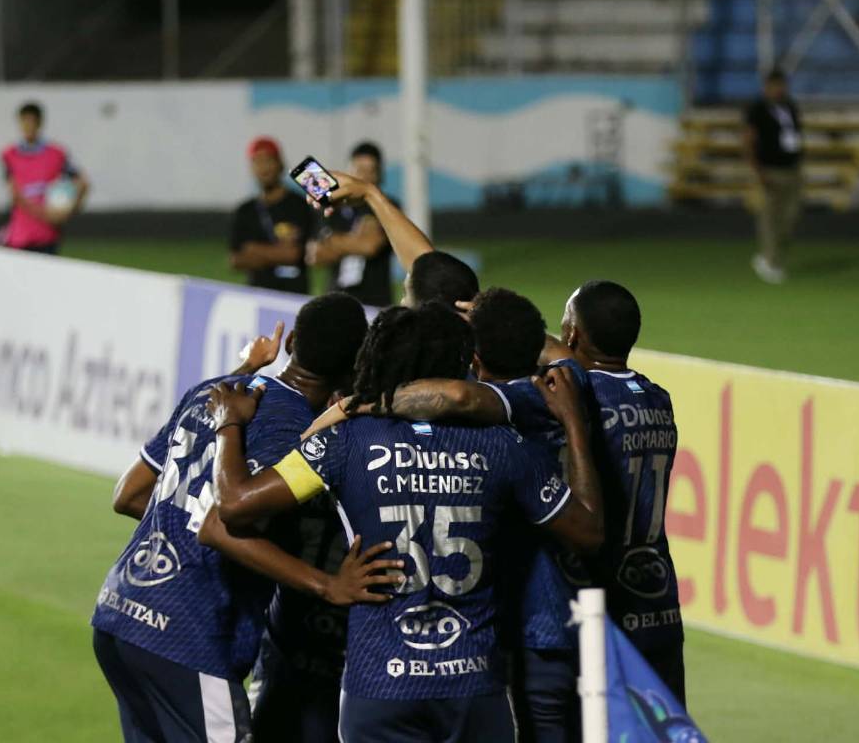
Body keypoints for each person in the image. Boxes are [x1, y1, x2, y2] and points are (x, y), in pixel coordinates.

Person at [205, 302, 605, 743]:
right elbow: (588, 533)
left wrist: (230, 426)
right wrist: (574, 421)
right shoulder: (504, 445)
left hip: (380, 685)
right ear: (463, 362)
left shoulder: (343, 441)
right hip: (473, 687)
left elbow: (236, 505)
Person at [92, 293, 386, 743]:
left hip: (120, 613)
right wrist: (327, 584)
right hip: (187, 637)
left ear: (291, 343)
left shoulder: (217, 392)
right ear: (354, 369)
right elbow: (218, 524)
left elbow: (129, 494)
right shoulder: (291, 432)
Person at [552, 280, 686, 705]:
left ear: (572, 334)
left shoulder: (579, 399)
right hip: (657, 600)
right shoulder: (658, 399)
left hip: (598, 606)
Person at [305, 169, 479, 308]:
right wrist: (370, 194)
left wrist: (370, 194)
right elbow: (426, 267)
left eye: (405, 295)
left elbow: (424, 266)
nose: (402, 303)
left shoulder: (420, 343)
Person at [308, 142, 395, 307]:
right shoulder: (330, 207)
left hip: (375, 304)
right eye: (360, 170)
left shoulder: (387, 205)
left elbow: (370, 245)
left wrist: (331, 240)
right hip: (335, 301)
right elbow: (315, 255)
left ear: (380, 174)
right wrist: (355, 241)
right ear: (348, 171)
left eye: (371, 171)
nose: (364, 178)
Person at [0, 101, 89, 255]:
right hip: (20, 235)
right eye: (24, 121)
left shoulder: (56, 154)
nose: (27, 126)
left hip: (48, 236)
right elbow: (15, 195)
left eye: (31, 122)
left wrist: (69, 210)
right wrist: (45, 214)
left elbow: (82, 183)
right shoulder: (9, 155)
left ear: (39, 123)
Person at [230, 136, 315, 294]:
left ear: (280, 164)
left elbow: (293, 254)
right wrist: (278, 252)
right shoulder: (245, 210)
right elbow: (235, 260)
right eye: (257, 162)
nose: (263, 168)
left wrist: (254, 250)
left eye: (268, 160)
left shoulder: (299, 205)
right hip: (257, 295)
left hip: (294, 294)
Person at [743, 68, 804, 284]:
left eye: (782, 85)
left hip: (792, 169)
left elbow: (795, 136)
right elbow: (749, 140)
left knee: (791, 218)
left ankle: (769, 257)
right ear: (767, 87)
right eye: (776, 86)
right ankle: (770, 261)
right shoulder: (758, 109)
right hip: (769, 169)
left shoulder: (790, 106)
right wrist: (757, 171)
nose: (780, 90)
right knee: (769, 217)